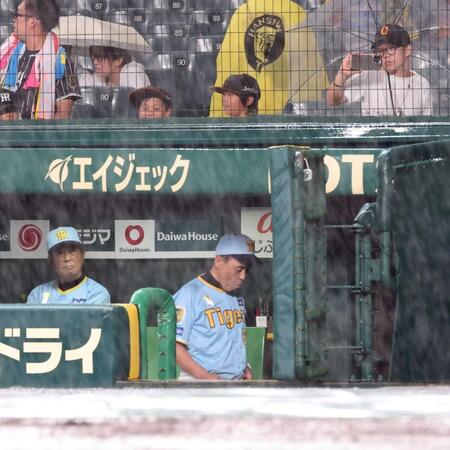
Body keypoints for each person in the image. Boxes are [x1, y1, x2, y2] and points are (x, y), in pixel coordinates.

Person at [174, 233, 257, 380]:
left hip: (233, 384)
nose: (243, 276)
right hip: (198, 386)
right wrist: (206, 378)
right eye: (238, 270)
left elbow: (232, 340)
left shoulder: (236, 295)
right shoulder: (190, 294)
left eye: (247, 270)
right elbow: (174, 347)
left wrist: (245, 367)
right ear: (219, 261)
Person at [326, 23, 432, 116]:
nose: (385, 55)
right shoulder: (369, 76)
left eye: (391, 48)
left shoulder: (422, 84)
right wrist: (342, 75)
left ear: (407, 50)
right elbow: (332, 100)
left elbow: (427, 127)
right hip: (372, 139)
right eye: (380, 51)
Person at [0, 0, 81, 120]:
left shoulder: (60, 61)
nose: (14, 19)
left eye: (18, 15)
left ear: (33, 21)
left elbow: (62, 117)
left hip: (40, 136)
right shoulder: (11, 56)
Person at [27, 226, 110, 305]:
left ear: (82, 255)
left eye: (72, 251)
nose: (67, 258)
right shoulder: (37, 295)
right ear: (51, 261)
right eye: (60, 253)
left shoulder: (96, 293)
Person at [82, 45, 150, 89]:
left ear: (119, 60)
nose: (95, 62)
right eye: (94, 58)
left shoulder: (133, 74)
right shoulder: (97, 78)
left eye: (100, 58)